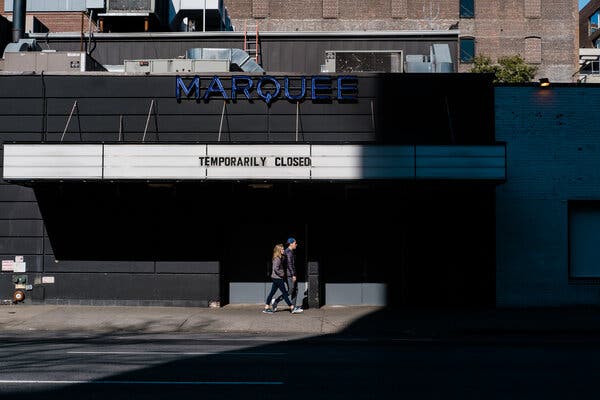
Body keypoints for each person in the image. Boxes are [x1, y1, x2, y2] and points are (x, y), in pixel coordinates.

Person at [263, 243, 303, 314]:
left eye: (283, 249)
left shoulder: (280, 257)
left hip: (276, 278)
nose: (283, 250)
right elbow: (275, 269)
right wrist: (282, 274)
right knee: (284, 293)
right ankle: (292, 307)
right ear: (278, 250)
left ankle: (266, 307)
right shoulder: (277, 259)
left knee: (272, 293)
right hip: (278, 278)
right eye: (282, 249)